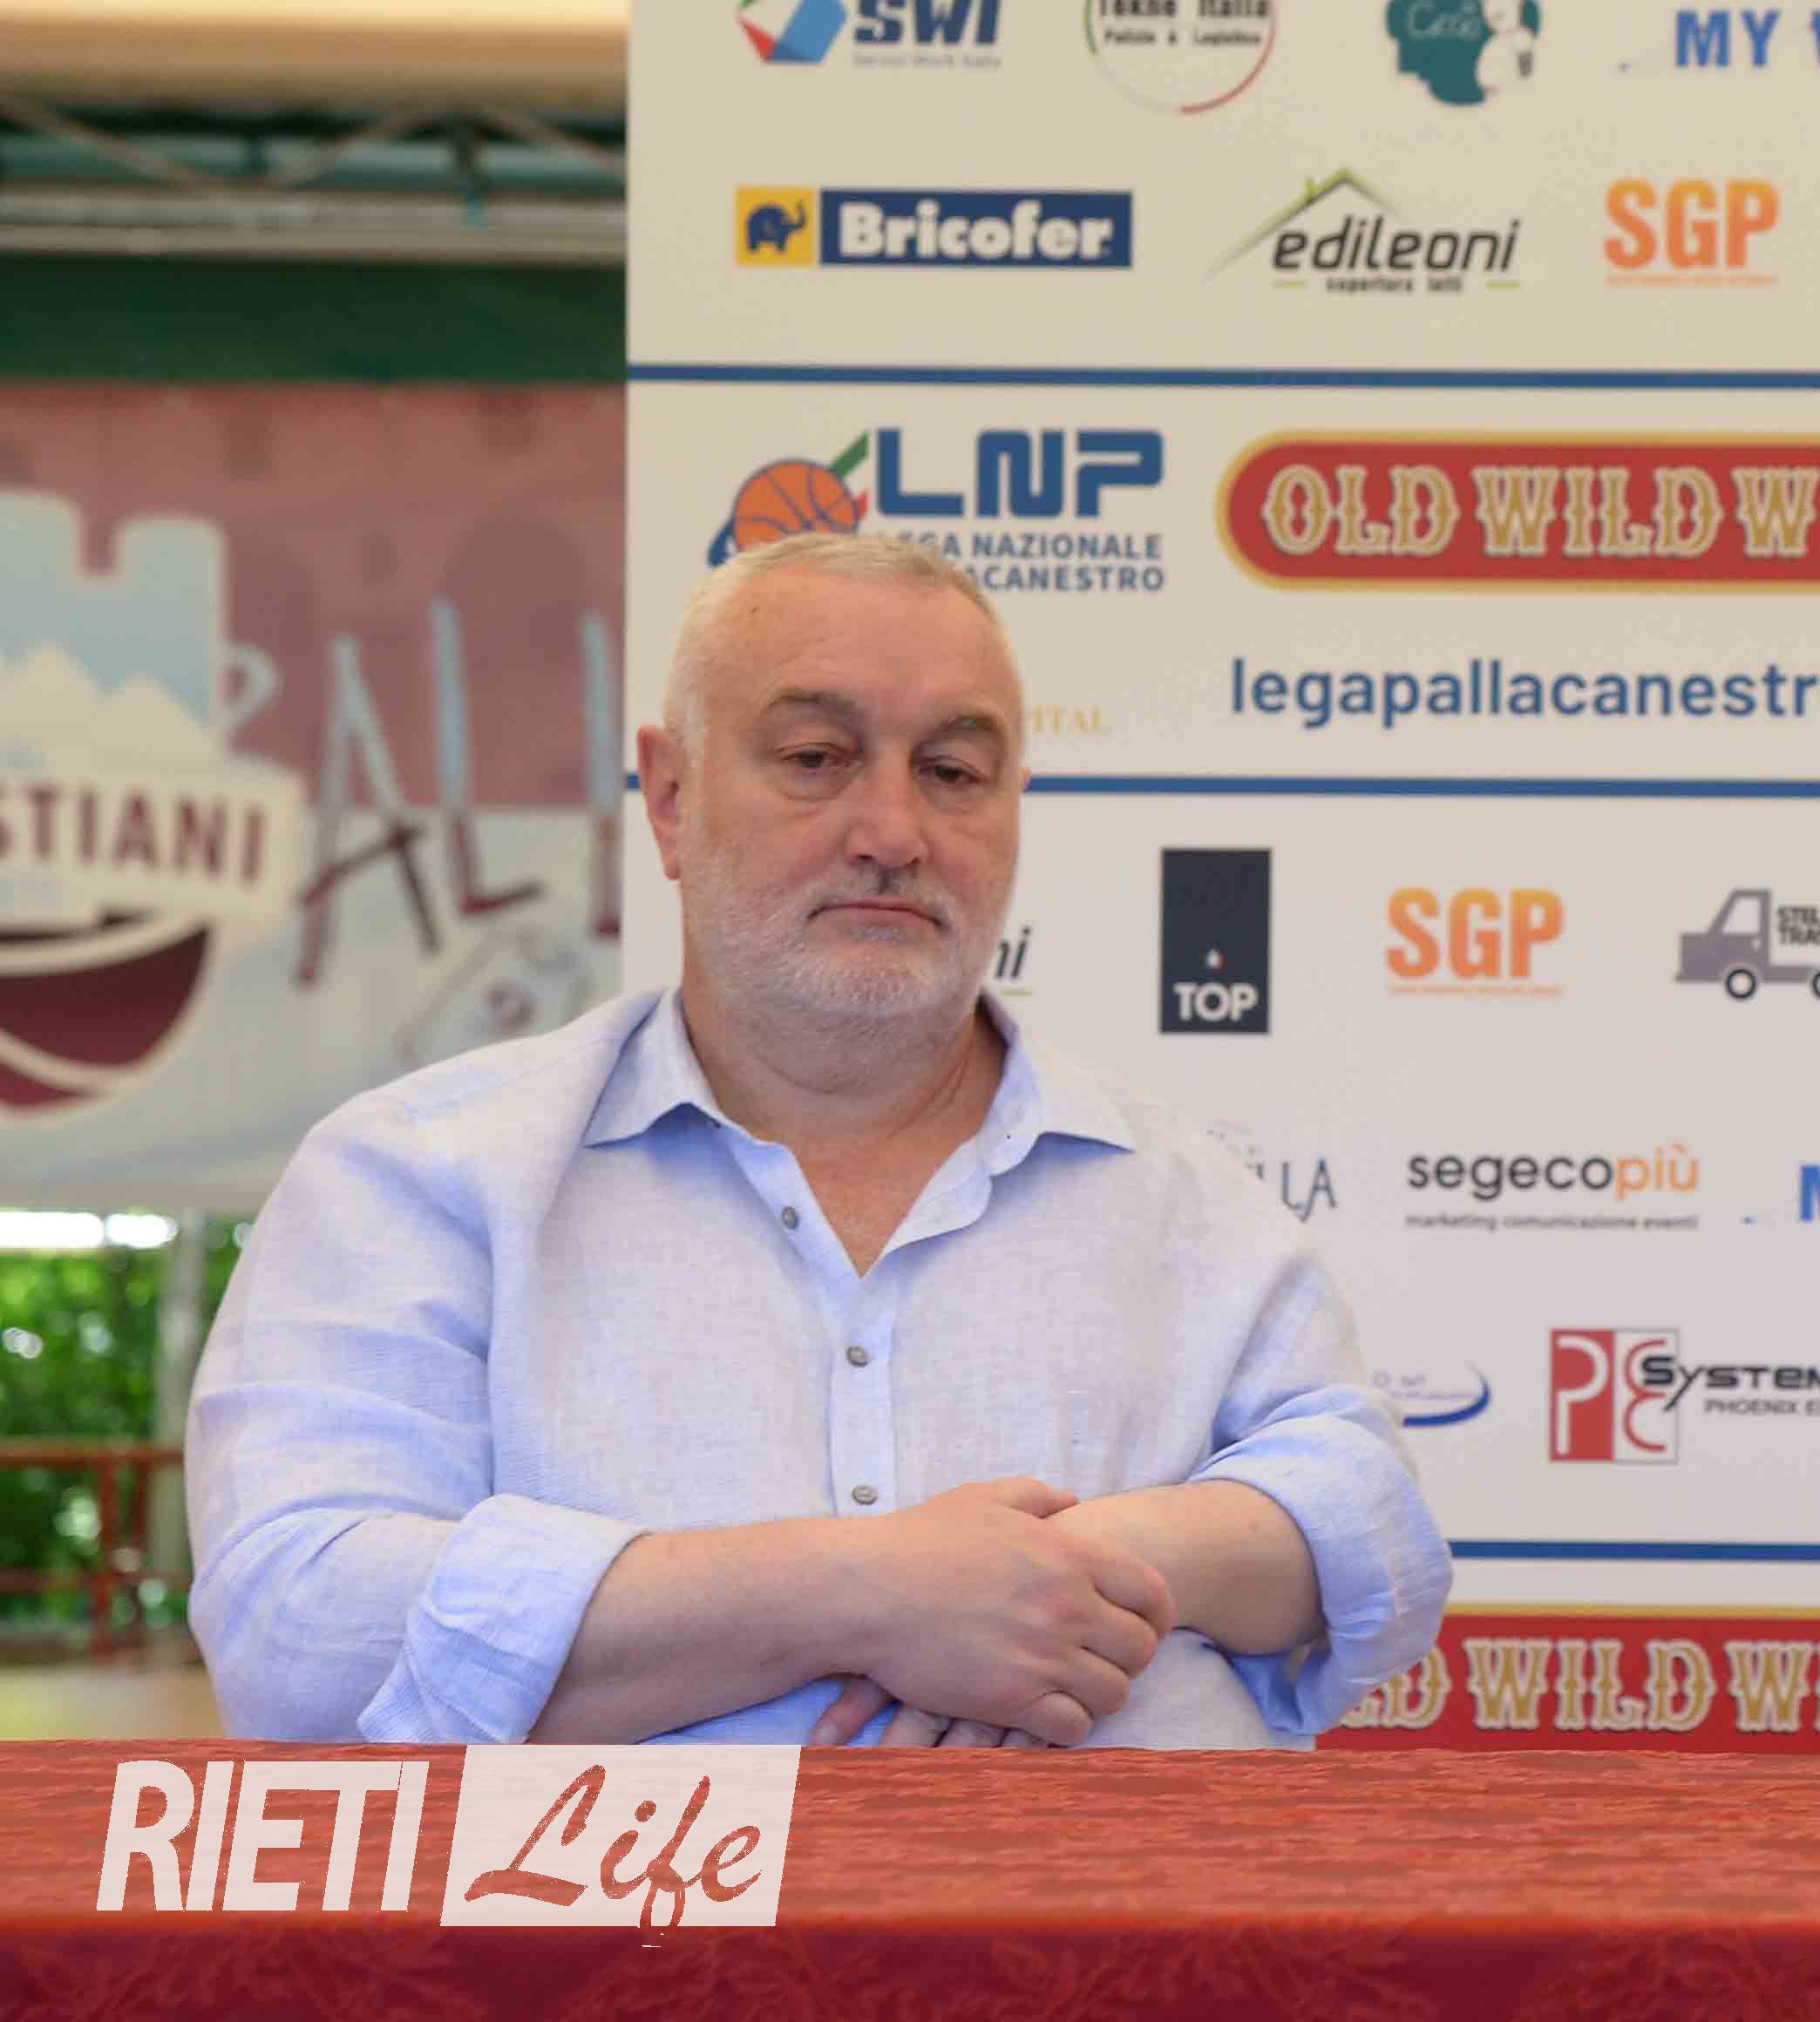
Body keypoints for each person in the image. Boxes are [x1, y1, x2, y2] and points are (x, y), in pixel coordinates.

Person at [188, 529, 1446, 1748]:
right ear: (670, 798)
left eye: (953, 772)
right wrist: (864, 1594)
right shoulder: (418, 1177)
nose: (893, 831)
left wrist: (1069, 1571)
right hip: (621, 1909)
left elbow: (1369, 1523)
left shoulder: (1181, 1193)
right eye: (814, 757)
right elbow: (299, 1630)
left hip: (1130, 1901)